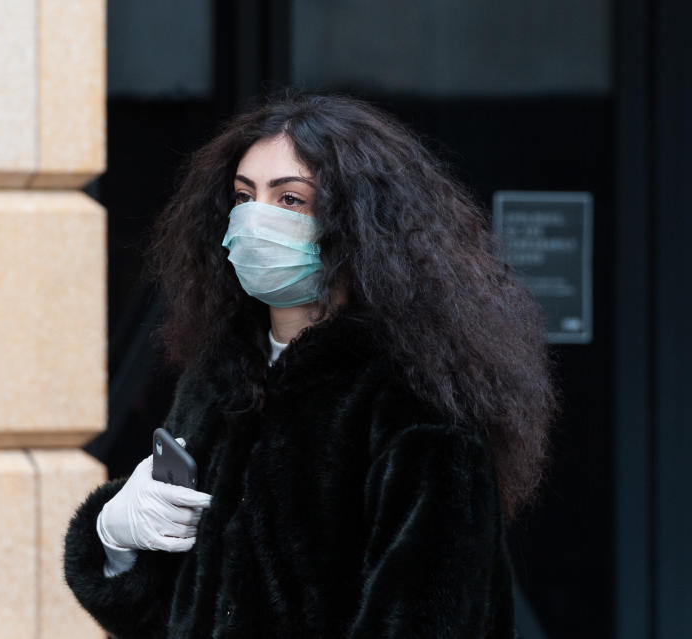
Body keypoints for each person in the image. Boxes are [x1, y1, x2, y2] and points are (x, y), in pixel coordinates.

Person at [64, 93, 555, 638]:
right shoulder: (218, 382)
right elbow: (164, 615)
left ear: (359, 223)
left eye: (290, 199)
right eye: (243, 196)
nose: (255, 218)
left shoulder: (414, 403)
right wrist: (115, 541)